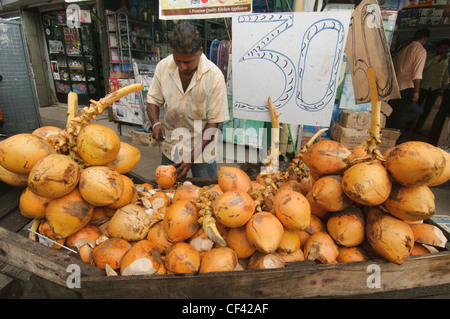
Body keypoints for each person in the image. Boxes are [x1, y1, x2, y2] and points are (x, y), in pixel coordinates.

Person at [146, 21, 229, 180]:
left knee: (207, 194)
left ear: (200, 52)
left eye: (188, 62)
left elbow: (214, 123)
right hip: (171, 147)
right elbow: (153, 99)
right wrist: (155, 122)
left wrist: (191, 157)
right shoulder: (163, 66)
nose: (182, 67)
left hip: (202, 152)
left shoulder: (214, 77)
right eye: (178, 61)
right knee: (170, 193)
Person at [386, 28, 430, 144]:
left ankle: (387, 139)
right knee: (401, 117)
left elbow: (394, 68)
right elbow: (417, 74)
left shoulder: (404, 49)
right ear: (425, 39)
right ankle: (397, 142)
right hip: (407, 87)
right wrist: (416, 91)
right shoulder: (420, 51)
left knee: (392, 115)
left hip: (396, 87)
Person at [414, 38, 450, 133]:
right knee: (415, 107)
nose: (443, 50)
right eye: (441, 48)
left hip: (436, 87)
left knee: (427, 110)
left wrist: (446, 86)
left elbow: (445, 74)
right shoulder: (429, 56)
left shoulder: (447, 60)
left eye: (445, 49)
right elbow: (424, 67)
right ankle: (409, 126)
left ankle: (418, 128)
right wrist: (436, 58)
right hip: (424, 85)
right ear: (438, 48)